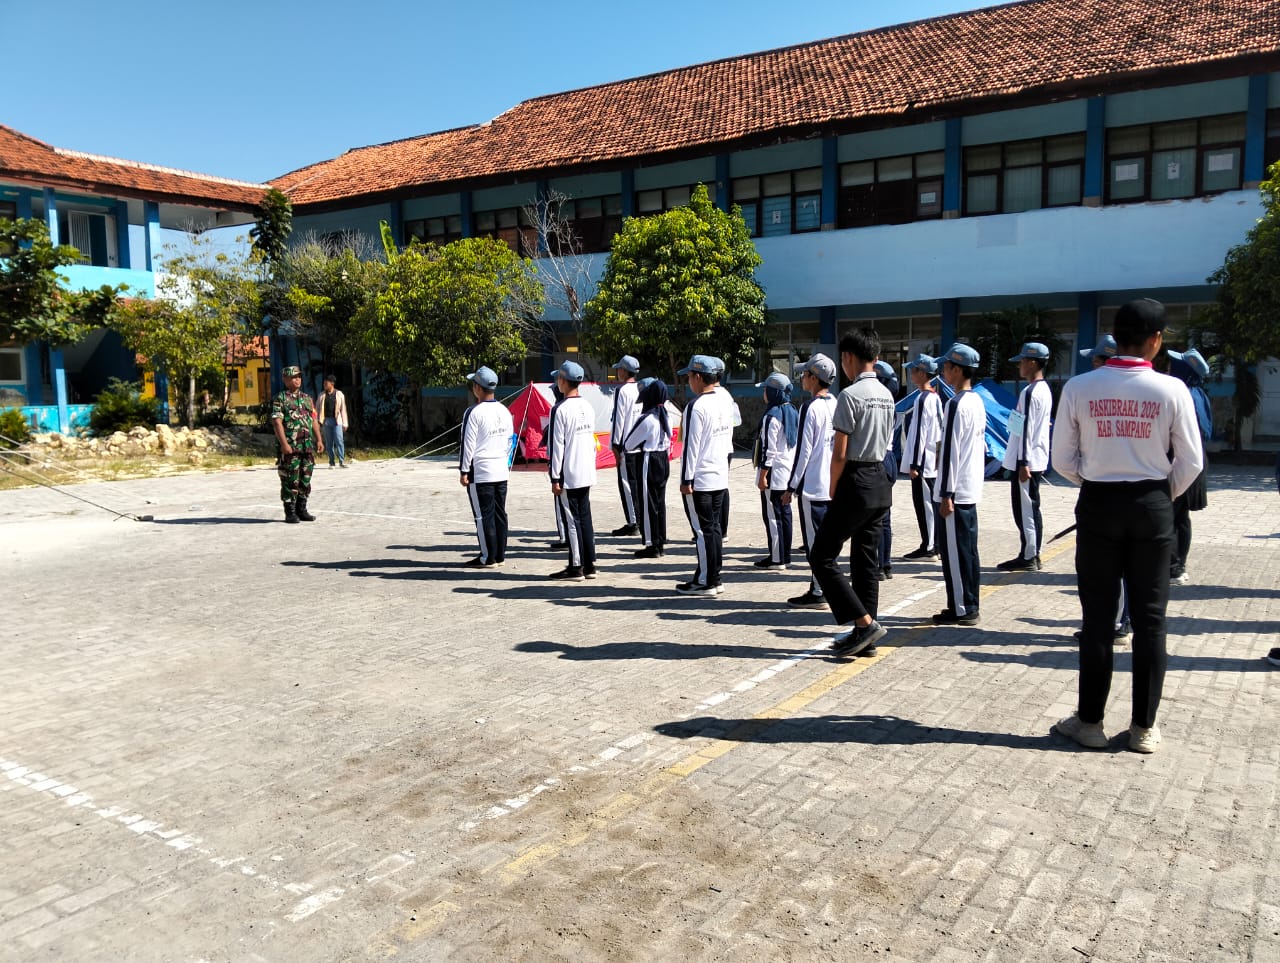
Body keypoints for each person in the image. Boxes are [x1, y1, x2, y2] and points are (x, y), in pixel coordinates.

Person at [1050, 298, 1203, 754]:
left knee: (1097, 620)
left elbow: (1061, 459)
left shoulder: (1080, 386)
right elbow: (1192, 461)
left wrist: (1095, 479)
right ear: (1156, 340)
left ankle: (1090, 723)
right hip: (1153, 504)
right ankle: (1144, 729)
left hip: (1098, 503)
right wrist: (1159, 495)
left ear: (1115, 338)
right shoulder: (1172, 390)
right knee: (1151, 620)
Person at [808, 328, 895, 656]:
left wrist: (833, 487)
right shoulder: (886, 394)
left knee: (821, 555)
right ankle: (865, 636)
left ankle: (864, 623)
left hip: (855, 480)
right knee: (864, 560)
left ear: (847, 358)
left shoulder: (850, 395)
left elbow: (840, 452)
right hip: (879, 478)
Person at [933, 344, 986, 626]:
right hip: (969, 488)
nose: (944, 372)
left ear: (956, 369)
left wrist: (946, 494)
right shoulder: (976, 401)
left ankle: (962, 608)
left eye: (946, 367)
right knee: (968, 552)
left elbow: (951, 450)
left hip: (955, 490)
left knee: (955, 554)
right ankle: (968, 602)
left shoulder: (955, 403)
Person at [677, 354, 735, 595]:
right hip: (719, 475)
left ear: (698, 377)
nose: (688, 381)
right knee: (713, 530)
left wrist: (685, 479)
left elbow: (691, 445)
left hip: (700, 477)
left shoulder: (697, 406)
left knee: (702, 531)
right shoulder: (724, 400)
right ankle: (714, 576)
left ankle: (706, 580)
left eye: (689, 376)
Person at [784, 354, 838, 608]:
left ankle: (819, 590)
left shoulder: (810, 407)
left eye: (805, 374)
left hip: (813, 487)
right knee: (827, 541)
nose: (802, 379)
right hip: (831, 484)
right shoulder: (835, 403)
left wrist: (791, 486)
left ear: (814, 378)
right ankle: (821, 586)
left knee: (815, 544)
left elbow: (803, 451)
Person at [997, 343, 1053, 572]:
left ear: (1032, 362)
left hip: (1027, 461)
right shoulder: (1042, 389)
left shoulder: (1031, 392)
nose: (1019, 366)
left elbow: (1027, 428)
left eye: (1022, 361)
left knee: (1026, 510)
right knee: (1028, 508)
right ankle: (1030, 551)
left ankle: (1030, 554)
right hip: (1030, 458)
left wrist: (1023, 462)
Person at [547, 360, 598, 581]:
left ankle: (576, 565)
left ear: (563, 381)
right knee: (584, 517)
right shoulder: (587, 406)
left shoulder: (560, 409)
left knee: (572, 520)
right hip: (586, 469)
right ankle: (590, 563)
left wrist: (555, 476)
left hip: (570, 471)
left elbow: (557, 445)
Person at [459, 365, 514, 568]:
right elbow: (511, 441)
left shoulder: (473, 412)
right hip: (501, 468)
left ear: (478, 388)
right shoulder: (505, 411)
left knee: (483, 515)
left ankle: (487, 556)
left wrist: (464, 470)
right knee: (500, 513)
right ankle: (500, 554)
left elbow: (468, 444)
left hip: (481, 471)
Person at [1166, 348, 1212, 586]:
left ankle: (1174, 568)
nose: (1169, 368)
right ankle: (1178, 566)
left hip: (1183, 459)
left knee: (1173, 515)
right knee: (1181, 517)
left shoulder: (1185, 396)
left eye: (1175, 366)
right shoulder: (1199, 394)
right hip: (1196, 458)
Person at [624, 378, 673, 558]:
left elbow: (628, 444)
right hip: (663, 459)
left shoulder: (648, 418)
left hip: (648, 459)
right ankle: (661, 539)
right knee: (659, 502)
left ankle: (652, 544)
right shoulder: (666, 415)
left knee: (648, 503)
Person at [753, 371, 797, 569]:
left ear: (773, 392)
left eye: (766, 389)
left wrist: (762, 475)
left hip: (774, 474)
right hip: (788, 472)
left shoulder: (771, 416)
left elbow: (768, 450)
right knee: (785, 515)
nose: (763, 393)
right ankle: (784, 554)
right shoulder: (793, 410)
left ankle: (777, 558)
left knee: (773, 517)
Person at [901, 354, 943, 561]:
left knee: (925, 504)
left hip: (924, 461)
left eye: (914, 370)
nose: (911, 374)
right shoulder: (934, 397)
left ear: (923, 373)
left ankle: (929, 545)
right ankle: (933, 543)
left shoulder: (924, 399)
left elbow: (920, 433)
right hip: (931, 459)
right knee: (930, 504)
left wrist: (915, 464)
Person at [271, 364, 324, 524]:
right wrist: (284, 444)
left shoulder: (307, 399)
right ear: (286, 379)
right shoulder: (280, 399)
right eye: (294, 377)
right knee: (290, 479)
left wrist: (319, 439)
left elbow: (313, 419)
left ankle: (302, 509)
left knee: (305, 478)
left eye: (299, 376)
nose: (297, 379)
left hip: (306, 446)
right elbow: (277, 422)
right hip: (290, 447)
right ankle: (290, 512)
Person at [873, 359, 901, 580]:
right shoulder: (890, 401)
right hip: (889, 458)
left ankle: (878, 565)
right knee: (885, 517)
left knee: (875, 517)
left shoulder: (877, 402)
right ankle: (886, 563)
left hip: (878, 459)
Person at [609, 355, 642, 537]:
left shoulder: (621, 391)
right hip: (641, 444)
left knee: (627, 484)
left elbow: (618, 420)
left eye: (619, 369)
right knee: (638, 483)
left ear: (623, 371)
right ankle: (639, 517)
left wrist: (615, 445)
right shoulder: (641, 388)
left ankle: (633, 521)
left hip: (626, 445)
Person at [318, 374, 349, 468]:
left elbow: (343, 409)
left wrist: (345, 423)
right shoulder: (322, 395)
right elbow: (317, 408)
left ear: (332, 383)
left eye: (326, 383)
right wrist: (317, 421)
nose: (325, 385)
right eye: (324, 383)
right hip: (326, 420)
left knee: (339, 440)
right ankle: (331, 462)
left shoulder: (339, 394)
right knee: (329, 442)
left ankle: (341, 461)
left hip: (337, 421)